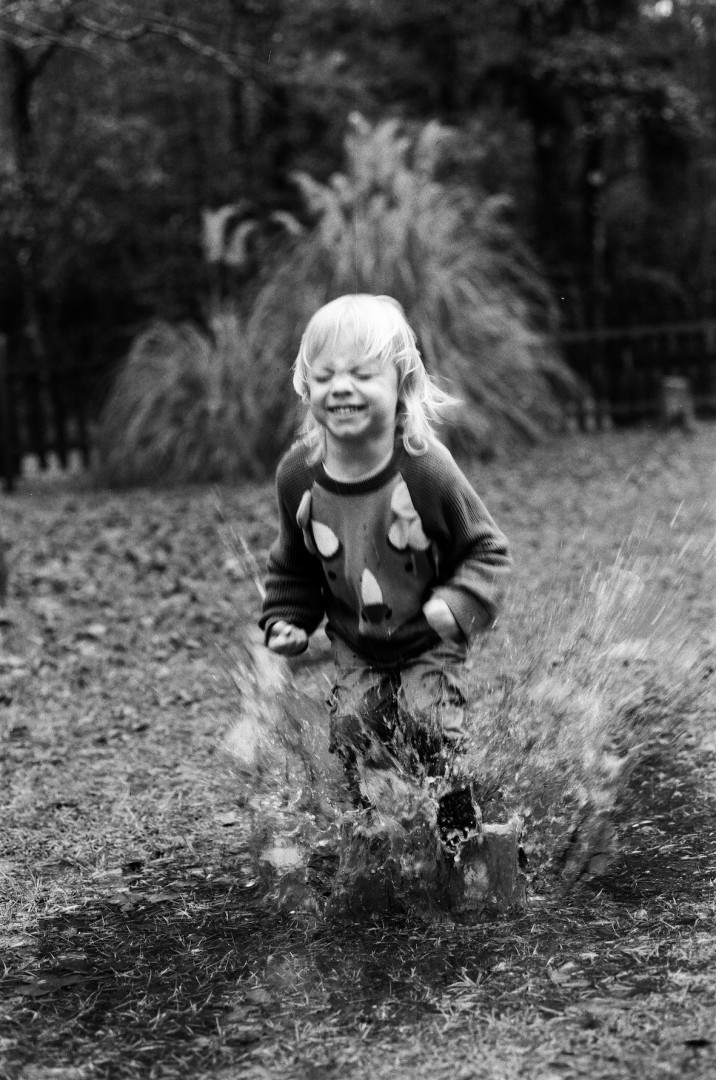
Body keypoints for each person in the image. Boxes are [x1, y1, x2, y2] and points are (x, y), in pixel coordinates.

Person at [259, 294, 510, 801]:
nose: (340, 387)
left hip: (428, 634)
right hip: (357, 638)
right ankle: (372, 824)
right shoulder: (299, 476)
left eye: (361, 374)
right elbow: (294, 563)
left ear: (402, 386)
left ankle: (457, 816)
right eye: (324, 376)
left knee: (427, 721)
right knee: (354, 727)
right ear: (306, 387)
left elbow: (487, 549)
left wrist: (458, 602)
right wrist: (287, 618)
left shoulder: (424, 468)